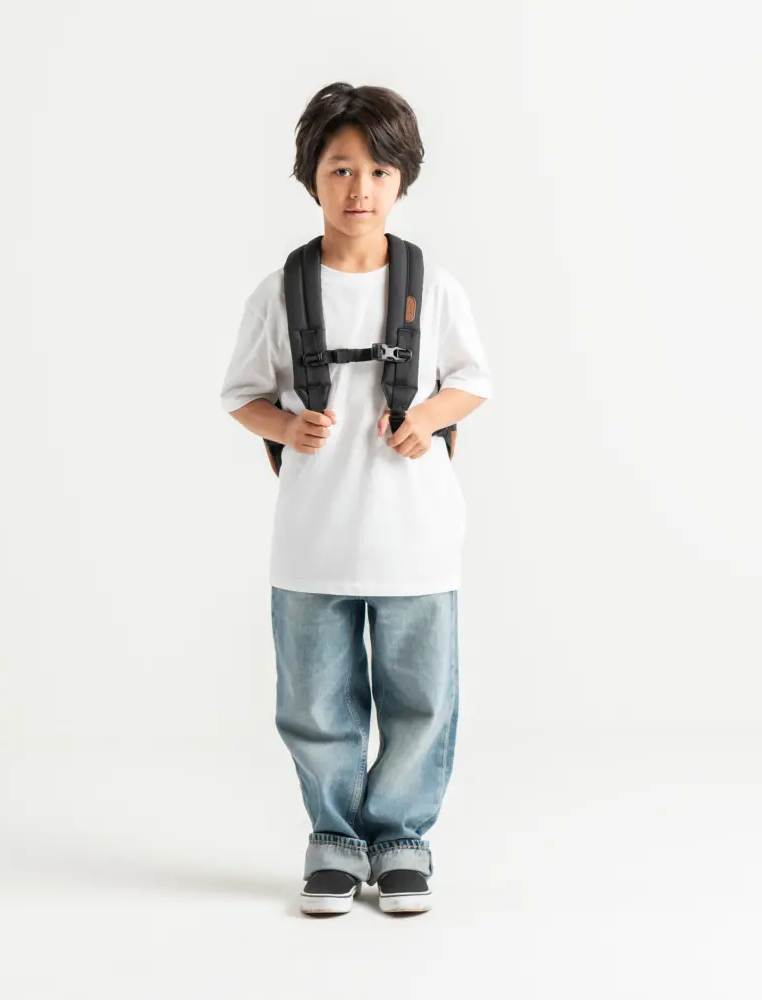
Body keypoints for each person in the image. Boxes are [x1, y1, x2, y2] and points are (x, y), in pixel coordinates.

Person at [218, 81, 492, 916]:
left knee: (421, 699)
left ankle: (403, 838)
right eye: (340, 169)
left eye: (377, 168)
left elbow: (474, 379)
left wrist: (428, 418)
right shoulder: (280, 290)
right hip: (312, 540)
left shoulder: (431, 284)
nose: (360, 187)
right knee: (314, 700)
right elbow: (241, 394)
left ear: (403, 179)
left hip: (417, 538)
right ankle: (333, 837)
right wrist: (286, 425)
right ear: (312, 179)